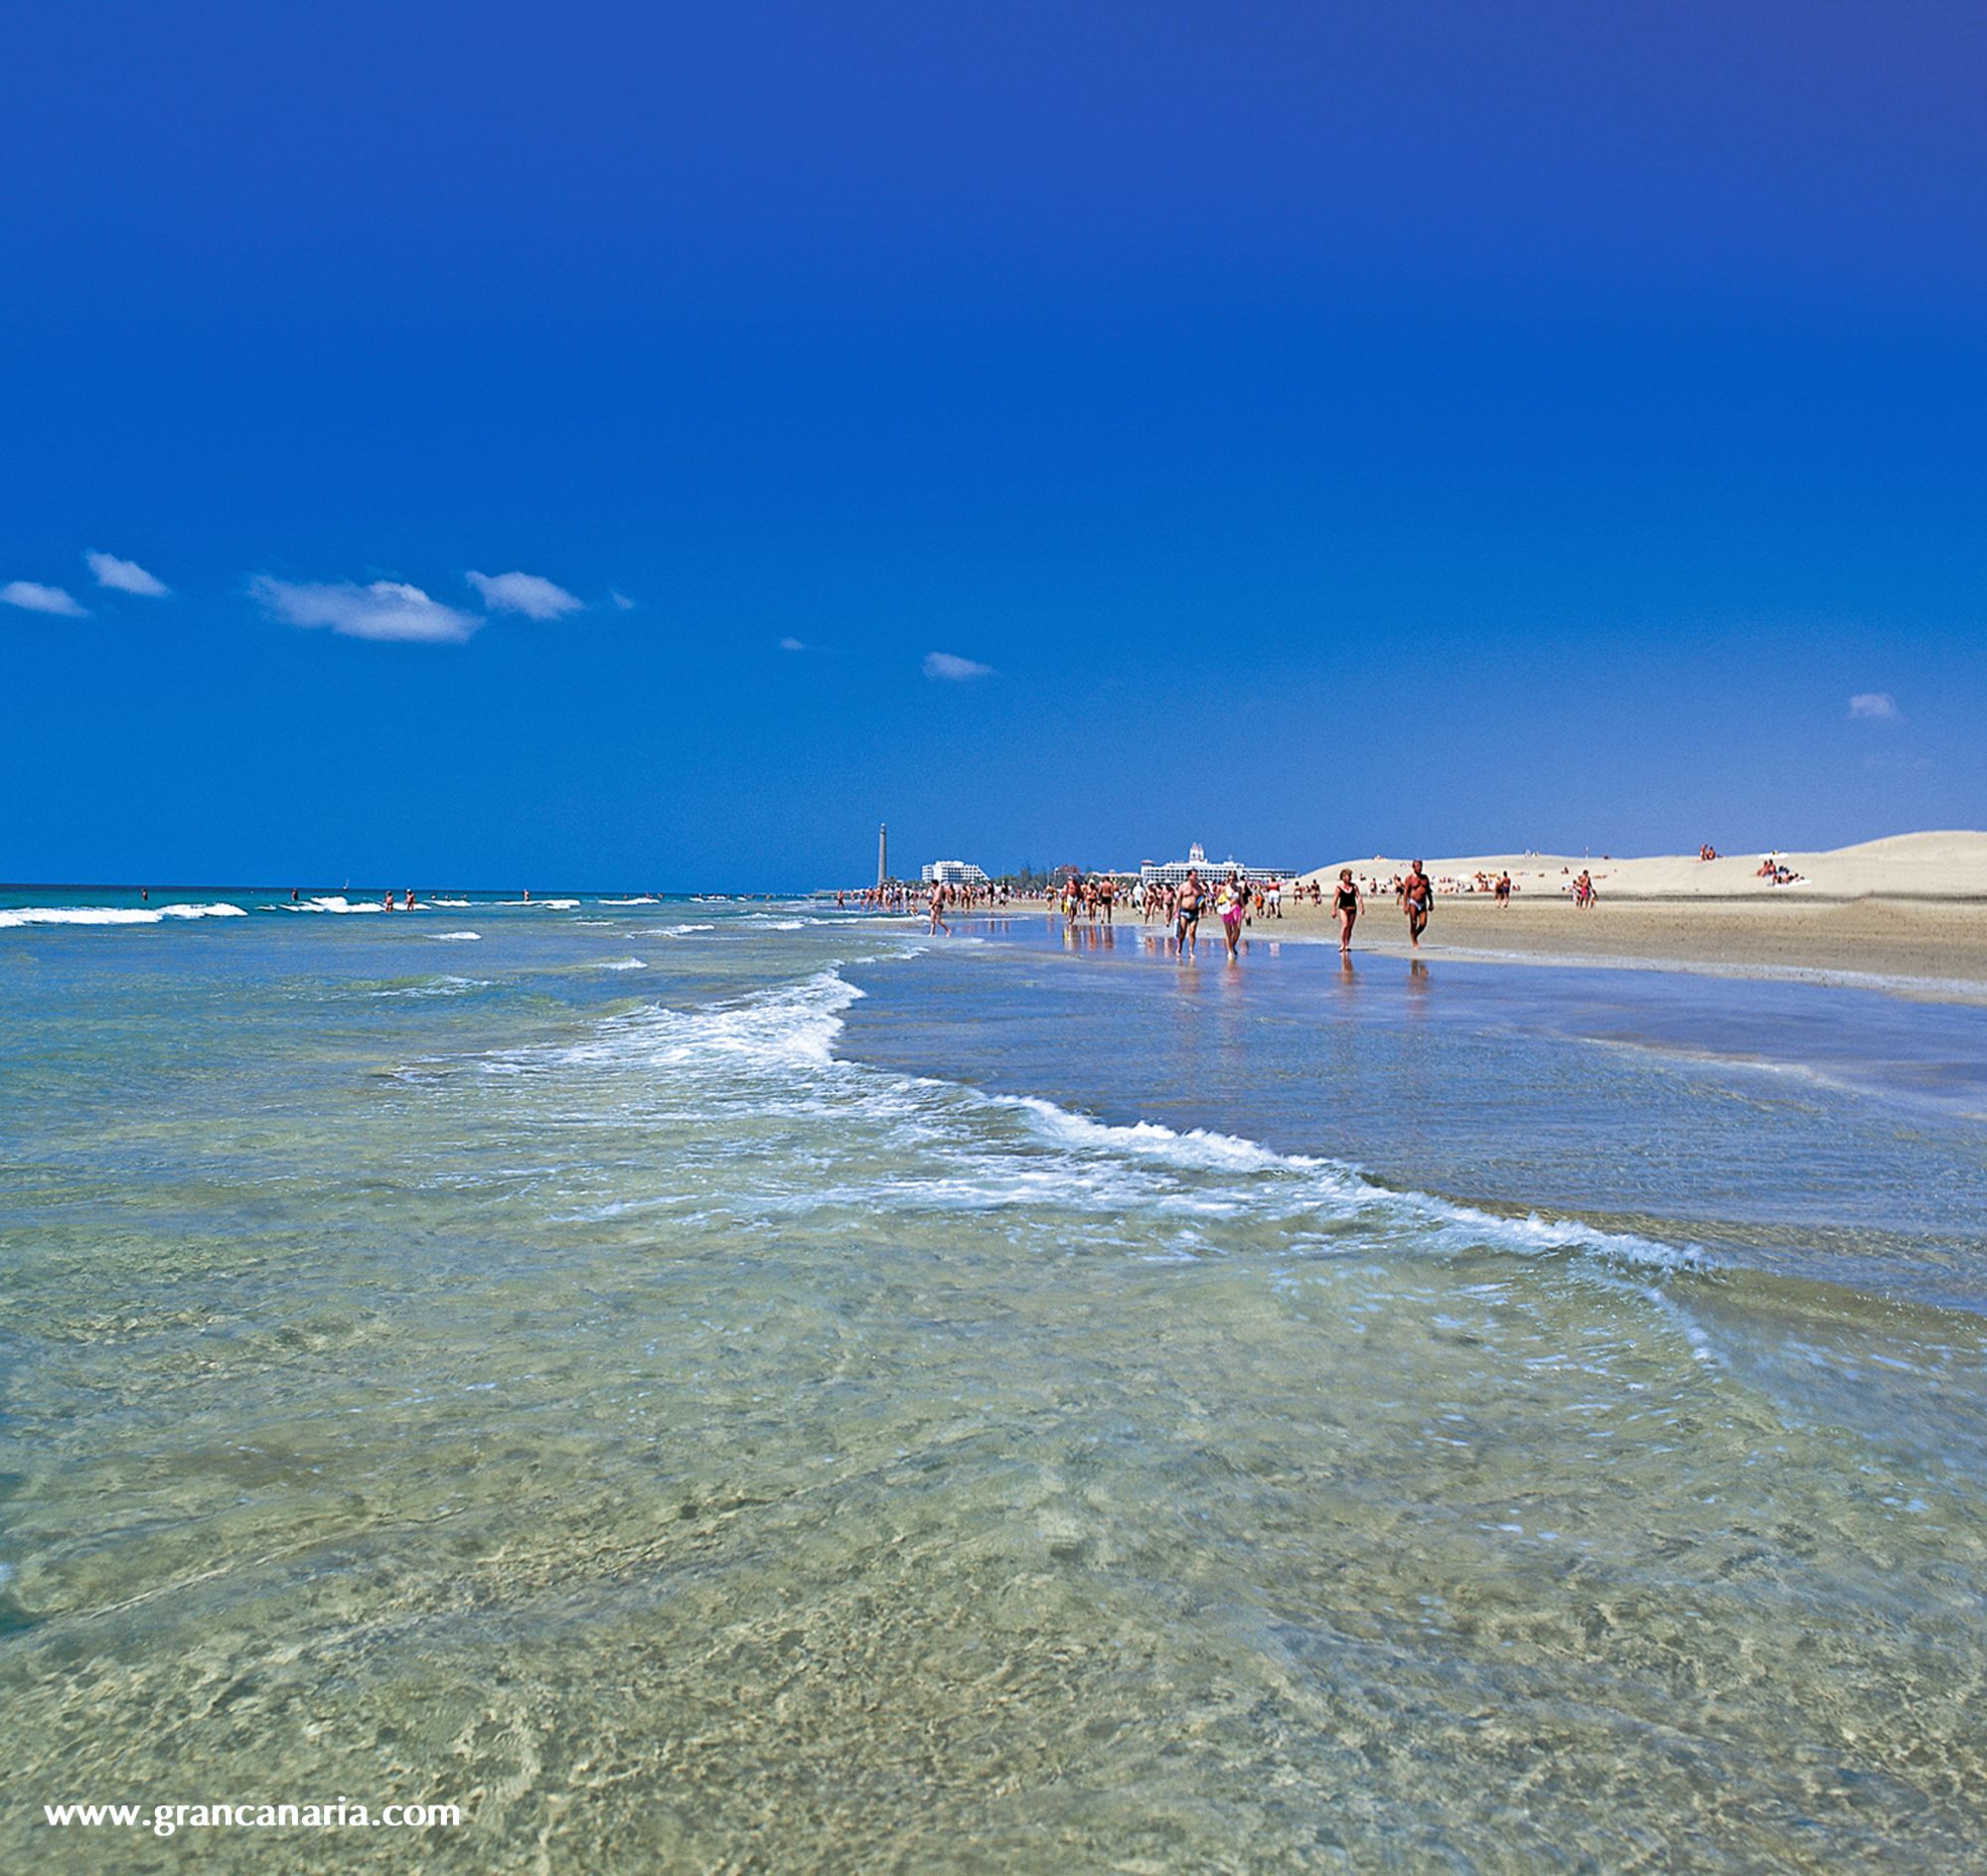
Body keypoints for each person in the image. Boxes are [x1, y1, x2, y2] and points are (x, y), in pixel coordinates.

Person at [1401, 860, 1433, 949]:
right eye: (1417, 866)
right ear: (1413, 867)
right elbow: (1406, 893)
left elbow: (1428, 891)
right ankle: (1414, 942)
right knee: (1413, 922)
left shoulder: (1425, 878)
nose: (1419, 868)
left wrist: (1431, 903)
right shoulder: (1409, 879)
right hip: (1413, 902)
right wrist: (1405, 906)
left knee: (1423, 923)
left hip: (1423, 903)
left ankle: (1414, 935)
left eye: (1420, 866)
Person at [1218, 870, 1247, 961]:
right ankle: (1230, 951)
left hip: (1236, 909)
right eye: (1230, 879)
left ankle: (1232, 945)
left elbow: (1241, 901)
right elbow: (1219, 900)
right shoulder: (1224, 888)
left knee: (1237, 930)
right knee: (1228, 932)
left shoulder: (1238, 889)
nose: (1231, 880)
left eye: (1233, 879)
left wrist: (1246, 912)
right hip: (1226, 910)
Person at [1332, 866, 1362, 952]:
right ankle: (1342, 944)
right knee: (1345, 925)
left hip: (1352, 908)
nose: (1347, 877)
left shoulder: (1354, 887)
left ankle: (1347, 944)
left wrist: (1361, 906)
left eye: (1349, 876)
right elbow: (1335, 899)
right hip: (1343, 908)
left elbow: (1358, 897)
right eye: (1345, 876)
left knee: (1350, 927)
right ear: (1342, 877)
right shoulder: (1339, 887)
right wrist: (1333, 910)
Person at [1175, 867, 1203, 959]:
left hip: (1194, 912)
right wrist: (1176, 912)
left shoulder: (1199, 888)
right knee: (1182, 932)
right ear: (1189, 876)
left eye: (1197, 875)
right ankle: (1179, 948)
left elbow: (1201, 900)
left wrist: (1201, 911)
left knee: (1192, 931)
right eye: (1194, 875)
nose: (1196, 877)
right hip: (1184, 911)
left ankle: (1191, 951)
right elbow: (1178, 900)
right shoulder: (1183, 887)